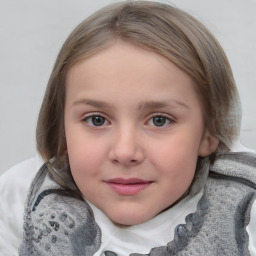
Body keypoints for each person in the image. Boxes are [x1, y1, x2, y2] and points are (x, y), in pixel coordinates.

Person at [0, 1, 255, 255]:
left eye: (159, 120)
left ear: (210, 131)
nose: (124, 151)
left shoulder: (249, 217)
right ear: (61, 129)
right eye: (97, 120)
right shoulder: (18, 202)